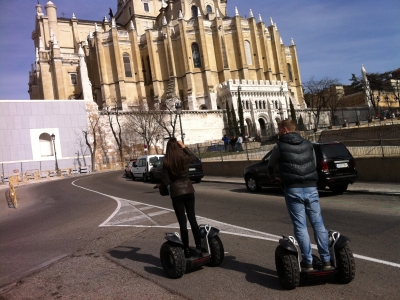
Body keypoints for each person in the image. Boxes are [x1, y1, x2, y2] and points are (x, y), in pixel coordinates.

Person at [267, 119, 331, 271]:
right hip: (311, 187)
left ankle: (308, 262)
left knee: (300, 226)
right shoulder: (308, 144)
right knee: (318, 224)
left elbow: (270, 165)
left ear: (285, 130)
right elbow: (314, 164)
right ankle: (327, 260)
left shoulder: (280, 146)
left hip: (293, 189)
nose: (278, 131)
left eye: (279, 128)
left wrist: (275, 178)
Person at [159, 138, 202, 258]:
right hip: (188, 190)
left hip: (177, 193)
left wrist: (161, 188)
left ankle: (186, 250)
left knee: (182, 223)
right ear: (178, 147)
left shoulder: (167, 162)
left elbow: (165, 181)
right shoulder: (184, 157)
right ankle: (199, 247)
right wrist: (184, 147)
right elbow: (194, 158)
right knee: (192, 219)